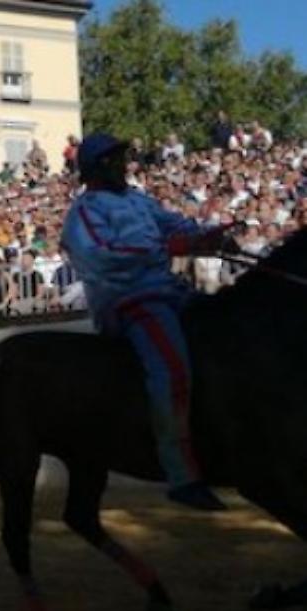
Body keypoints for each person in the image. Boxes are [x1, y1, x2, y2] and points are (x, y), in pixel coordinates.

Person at [61, 132, 229, 512]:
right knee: (171, 370)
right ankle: (181, 475)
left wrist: (209, 237)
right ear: (98, 167)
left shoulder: (138, 200)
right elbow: (102, 259)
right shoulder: (82, 213)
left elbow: (174, 226)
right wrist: (170, 248)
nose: (125, 165)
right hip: (129, 301)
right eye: (116, 160)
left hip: (170, 290)